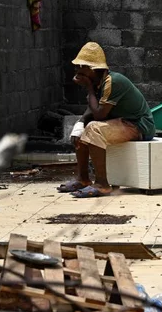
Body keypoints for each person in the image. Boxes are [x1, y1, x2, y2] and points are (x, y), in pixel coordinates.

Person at [57, 42, 155, 198]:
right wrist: (79, 125)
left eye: (80, 67)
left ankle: (102, 184)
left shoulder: (112, 82)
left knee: (94, 128)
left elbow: (99, 115)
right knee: (83, 132)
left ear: (91, 69)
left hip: (138, 126)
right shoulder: (98, 83)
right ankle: (83, 179)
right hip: (121, 122)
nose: (76, 70)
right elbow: (92, 109)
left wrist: (88, 88)